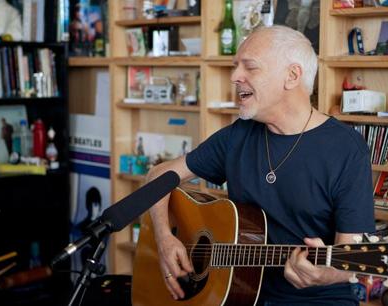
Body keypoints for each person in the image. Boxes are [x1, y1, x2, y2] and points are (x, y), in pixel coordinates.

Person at [147, 25, 375, 305]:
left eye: (249, 67)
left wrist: (326, 274)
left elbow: (353, 257)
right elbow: (158, 175)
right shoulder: (238, 135)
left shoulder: (347, 149)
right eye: (235, 67)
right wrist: (164, 239)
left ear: (292, 76)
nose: (234, 77)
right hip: (235, 293)